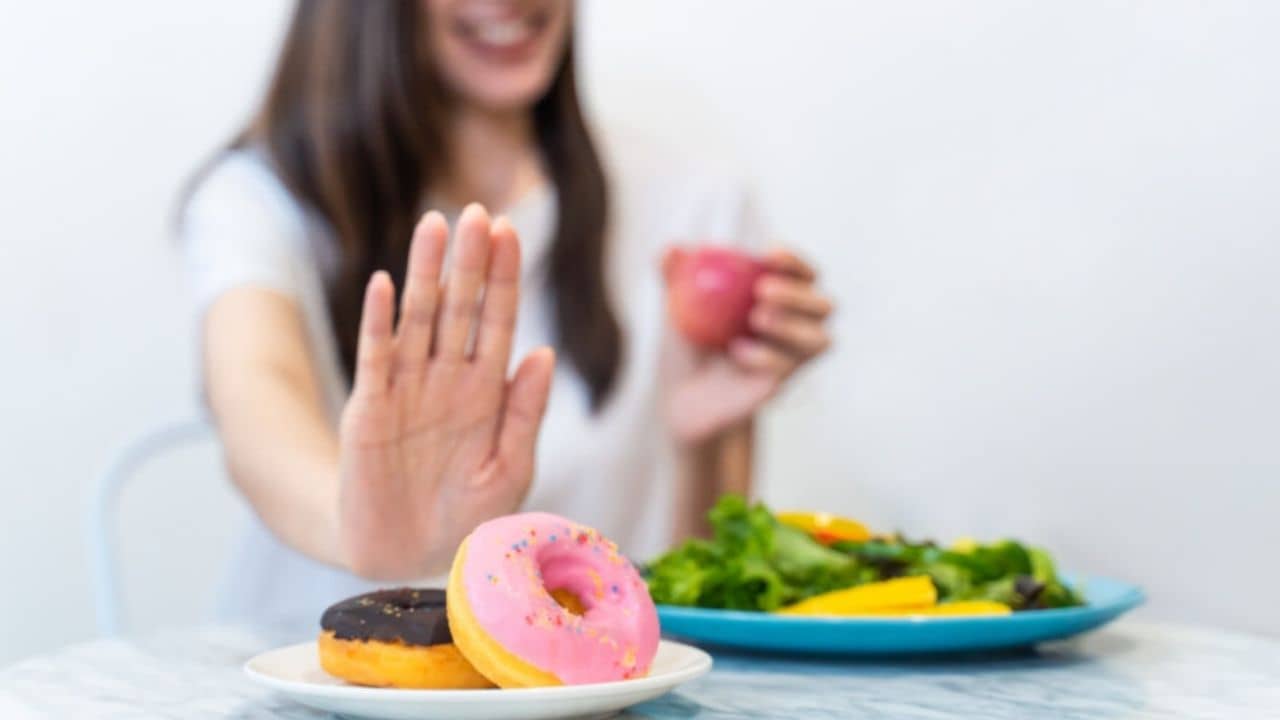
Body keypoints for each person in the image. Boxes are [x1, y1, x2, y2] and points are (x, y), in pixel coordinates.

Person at [181, 0, 833, 624]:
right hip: (306, 674)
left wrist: (699, 443)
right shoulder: (260, 198)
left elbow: (697, 615)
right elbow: (258, 397)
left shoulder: (696, 207)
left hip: (576, 696)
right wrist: (362, 524)